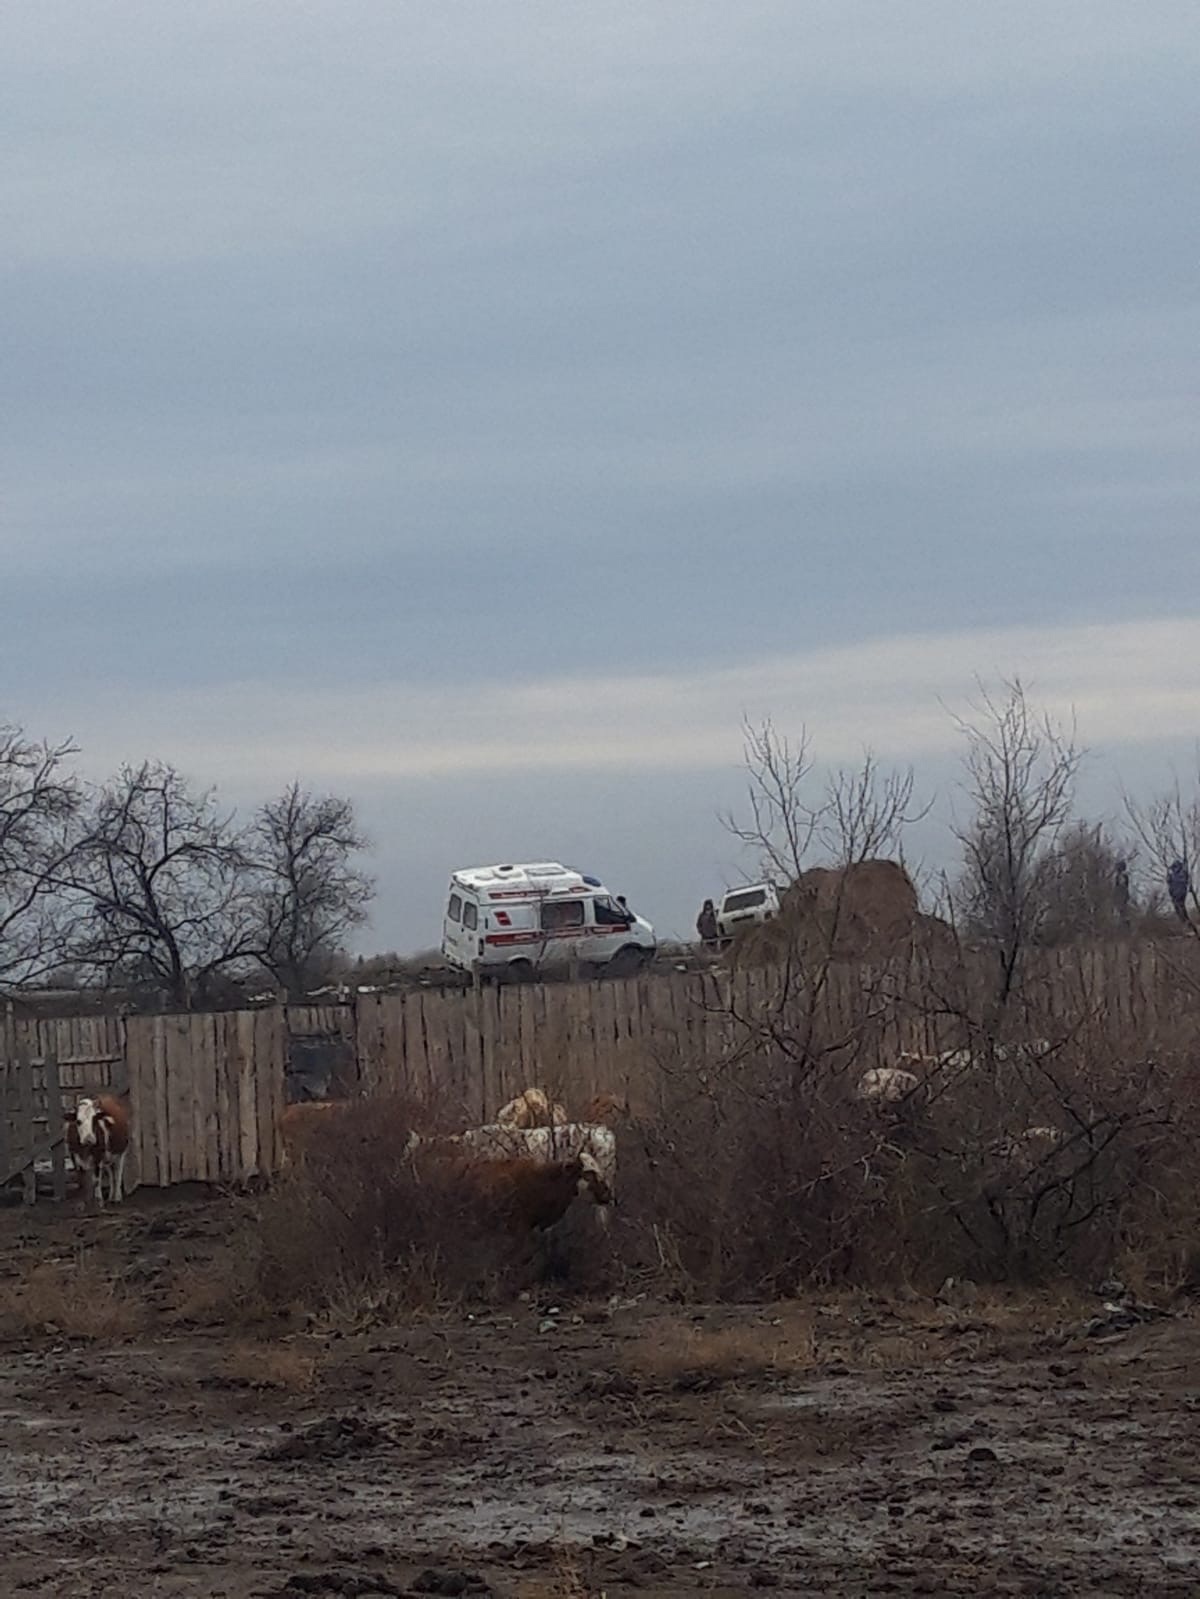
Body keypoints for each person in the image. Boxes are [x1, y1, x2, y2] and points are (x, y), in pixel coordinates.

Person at [1167, 858, 1190, 924]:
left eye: (1176, 867)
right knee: (1177, 907)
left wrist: (1185, 862)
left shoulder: (1182, 872)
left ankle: (1186, 920)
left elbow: (1186, 876)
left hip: (1180, 891)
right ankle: (1184, 921)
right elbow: (1168, 882)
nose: (1175, 869)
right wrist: (1168, 875)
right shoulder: (1172, 875)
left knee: (1180, 905)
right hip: (1174, 893)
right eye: (1174, 867)